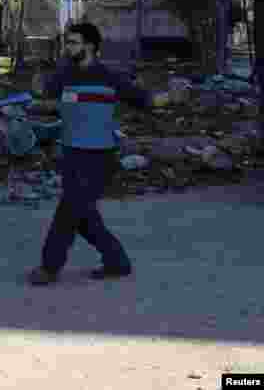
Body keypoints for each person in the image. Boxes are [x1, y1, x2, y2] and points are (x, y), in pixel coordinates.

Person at [26, 21, 186, 285]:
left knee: (69, 210)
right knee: (83, 214)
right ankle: (117, 261)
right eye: (67, 42)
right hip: (70, 154)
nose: (68, 47)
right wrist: (39, 98)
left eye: (73, 42)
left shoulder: (109, 77)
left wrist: (173, 96)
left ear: (90, 45)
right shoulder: (63, 76)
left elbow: (146, 100)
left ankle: (49, 266)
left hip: (98, 157)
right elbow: (45, 101)